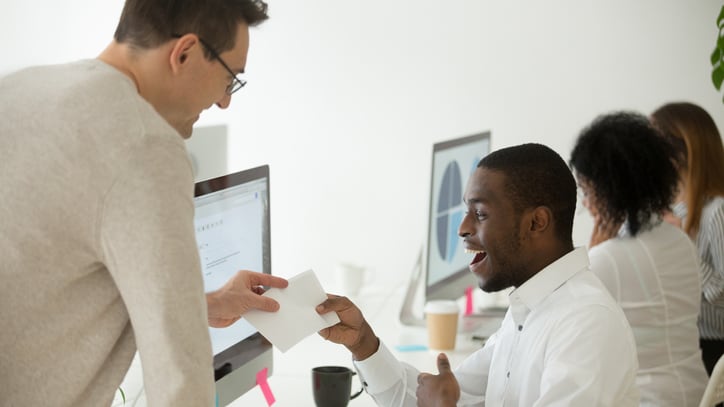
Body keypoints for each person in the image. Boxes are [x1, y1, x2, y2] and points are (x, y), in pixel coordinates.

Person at [0, 1, 287, 406]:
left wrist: (201, 305)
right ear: (184, 52)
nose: (225, 102)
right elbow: (180, 384)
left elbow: (45, 286)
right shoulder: (146, 145)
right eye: (229, 79)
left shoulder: (21, 87)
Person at [317, 143, 640, 406]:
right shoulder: (528, 310)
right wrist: (364, 344)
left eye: (480, 214)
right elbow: (422, 399)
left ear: (536, 222)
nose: (463, 228)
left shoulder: (586, 323)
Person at [569, 111, 708, 406]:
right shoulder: (677, 239)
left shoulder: (609, 258)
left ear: (608, 191)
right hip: (694, 390)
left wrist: (594, 248)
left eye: (587, 191)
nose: (585, 203)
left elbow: (565, 317)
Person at [651, 102, 724, 376]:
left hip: (713, 351)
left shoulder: (716, 212)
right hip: (677, 343)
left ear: (681, 151)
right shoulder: (666, 209)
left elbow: (722, 295)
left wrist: (683, 244)